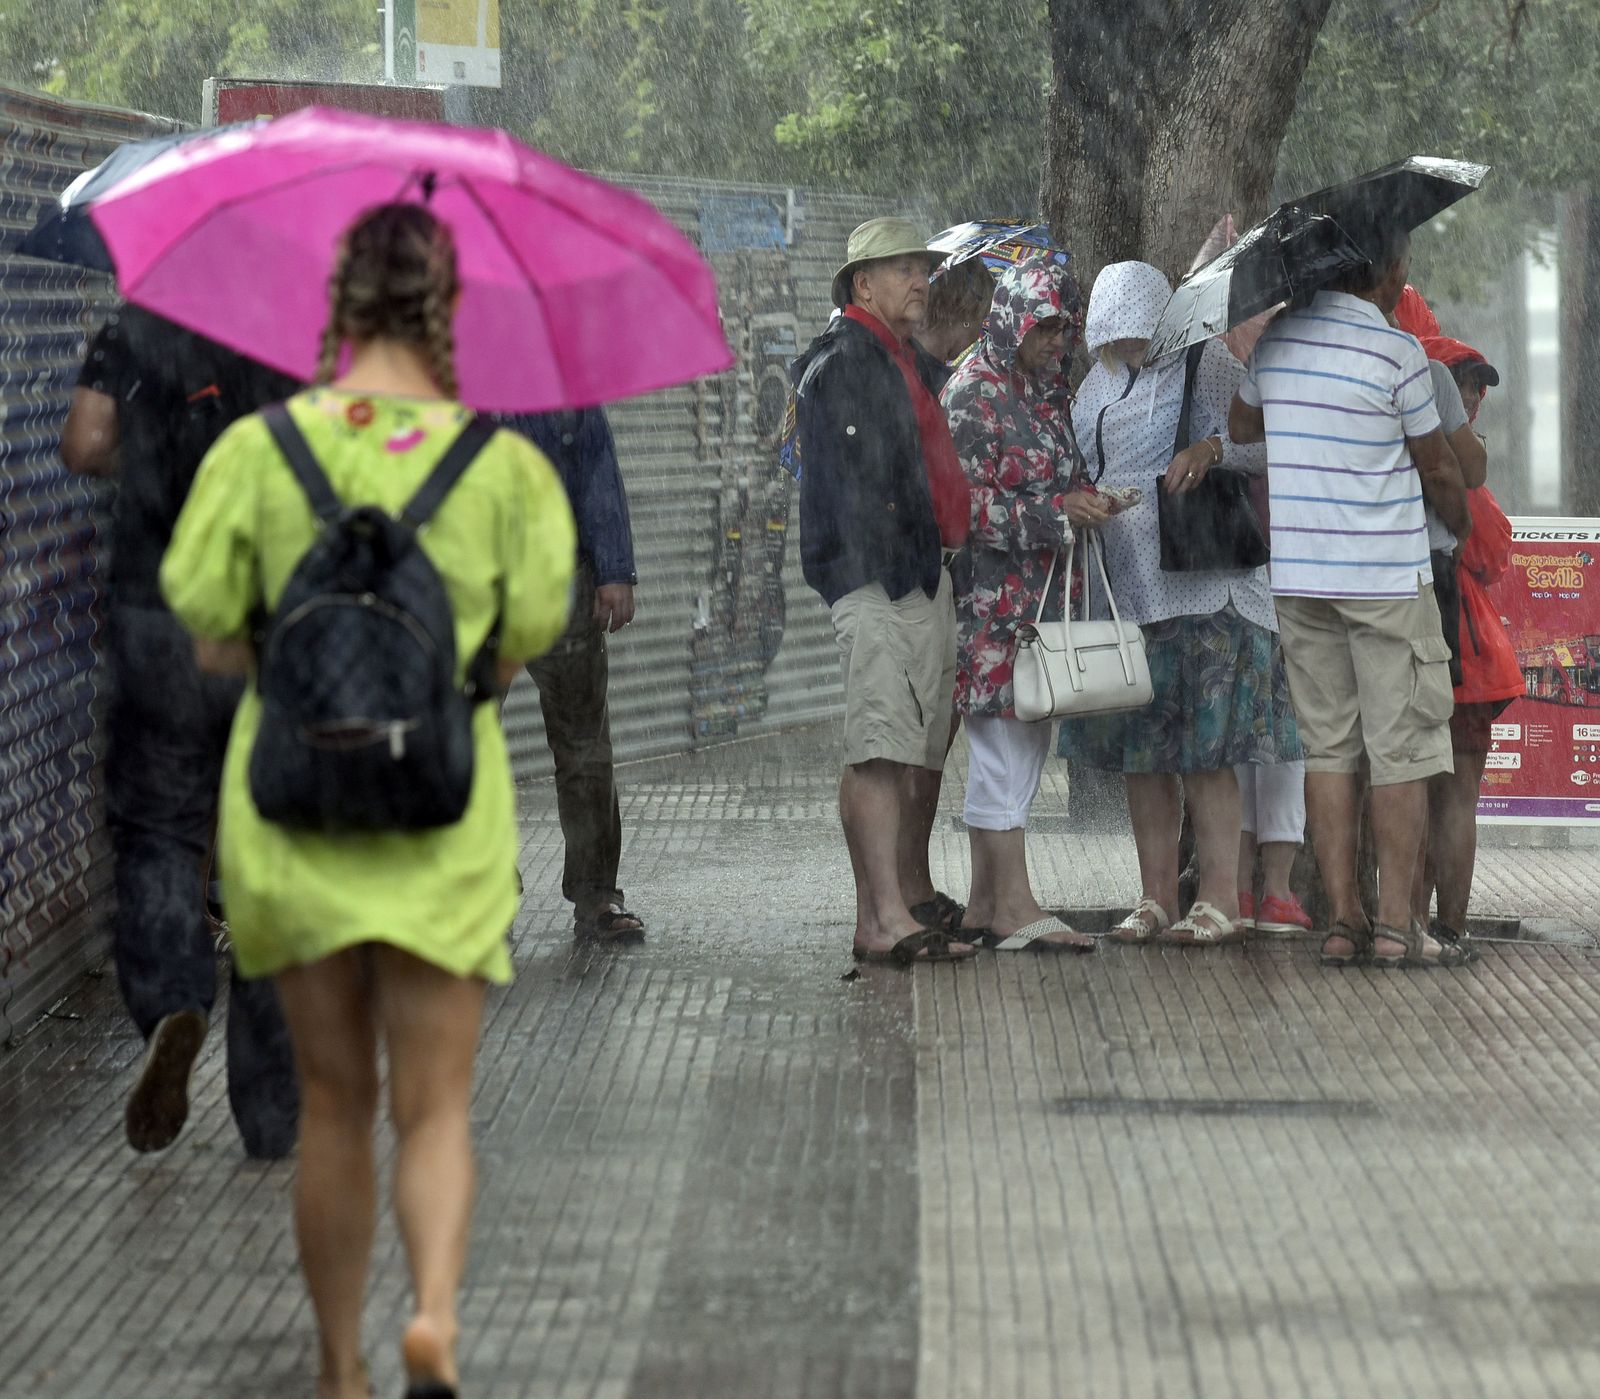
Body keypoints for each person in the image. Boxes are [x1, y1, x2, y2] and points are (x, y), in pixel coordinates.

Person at [159, 203, 576, 1398]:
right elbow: (517, 646)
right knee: (435, 1109)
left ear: (333, 304)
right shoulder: (500, 466)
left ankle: (339, 1367)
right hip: (441, 822)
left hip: (292, 823)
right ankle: (433, 1318)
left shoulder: (257, 449)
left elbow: (207, 632)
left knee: (334, 1105)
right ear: (448, 311)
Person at [61, 306, 300, 1159]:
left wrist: (152, 464)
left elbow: (86, 442)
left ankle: (173, 1000)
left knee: (159, 833)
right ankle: (273, 1112)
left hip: (158, 615)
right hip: (267, 624)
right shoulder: (297, 333)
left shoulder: (133, 329)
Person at [1229, 227, 1473, 969]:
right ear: (1387, 271)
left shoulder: (1279, 345)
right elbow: (1438, 466)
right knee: (1401, 751)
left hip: (1302, 579)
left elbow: (1242, 426)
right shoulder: (1398, 353)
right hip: (1385, 580)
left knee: (1329, 750)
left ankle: (1343, 920)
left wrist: (1311, 429)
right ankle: (1397, 924)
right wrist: (1458, 519)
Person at [1061, 261, 1301, 947]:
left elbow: (1262, 450)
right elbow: (1079, 463)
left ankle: (1219, 899)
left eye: (1139, 334)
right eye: (1116, 336)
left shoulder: (1204, 367)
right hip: (1130, 589)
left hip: (1204, 587)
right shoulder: (1095, 386)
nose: (1130, 347)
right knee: (1145, 754)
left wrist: (1211, 447)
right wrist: (1088, 497)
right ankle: (1155, 896)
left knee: (1206, 751)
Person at [792, 216, 976, 965]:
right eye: (903, 268)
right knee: (877, 749)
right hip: (878, 580)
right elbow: (858, 488)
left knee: (901, 749)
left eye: (921, 268)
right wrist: (886, 558)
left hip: (917, 574)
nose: (919, 280)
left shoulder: (900, 357)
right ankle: (879, 920)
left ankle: (896, 907)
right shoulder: (843, 362)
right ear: (862, 283)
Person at [942, 255, 1100, 952]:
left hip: (1044, 605)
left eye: (1064, 326)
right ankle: (1016, 904)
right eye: (1044, 326)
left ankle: (985, 903)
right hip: (992, 607)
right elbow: (960, 508)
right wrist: (1052, 513)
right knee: (1002, 752)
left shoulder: (1050, 392)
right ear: (1012, 321)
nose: (1056, 339)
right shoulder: (973, 392)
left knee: (1026, 743)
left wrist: (1089, 498)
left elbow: (1064, 472)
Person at [497, 407, 645, 942]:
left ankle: (597, 893)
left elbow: (595, 462)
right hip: (472, 582)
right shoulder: (442, 368)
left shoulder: (561, 376)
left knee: (583, 742)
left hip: (561, 577)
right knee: (464, 746)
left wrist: (613, 569)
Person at [1412, 338, 1518, 958]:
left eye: (1479, 384)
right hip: (1463, 650)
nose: (1473, 395)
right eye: (1465, 381)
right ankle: (1444, 926)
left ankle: (1415, 921)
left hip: (1444, 639)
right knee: (1451, 798)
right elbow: (1490, 548)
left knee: (1422, 790)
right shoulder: (1454, 458)